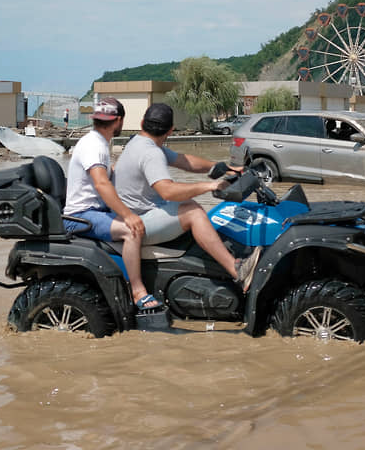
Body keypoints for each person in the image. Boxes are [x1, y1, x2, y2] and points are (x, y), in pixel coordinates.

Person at [114, 103, 261, 291]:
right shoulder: (151, 153)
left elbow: (183, 161)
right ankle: (237, 271)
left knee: (188, 204)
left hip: (133, 214)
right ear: (171, 130)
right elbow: (167, 191)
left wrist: (219, 167)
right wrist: (210, 185)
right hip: (137, 223)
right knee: (193, 211)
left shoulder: (139, 142)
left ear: (142, 123)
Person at [62, 98, 160, 310]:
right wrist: (128, 215)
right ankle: (137, 291)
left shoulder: (97, 142)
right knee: (132, 230)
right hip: (82, 215)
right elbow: (101, 183)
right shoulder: (94, 146)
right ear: (118, 121)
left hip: (94, 210)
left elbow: (108, 174)